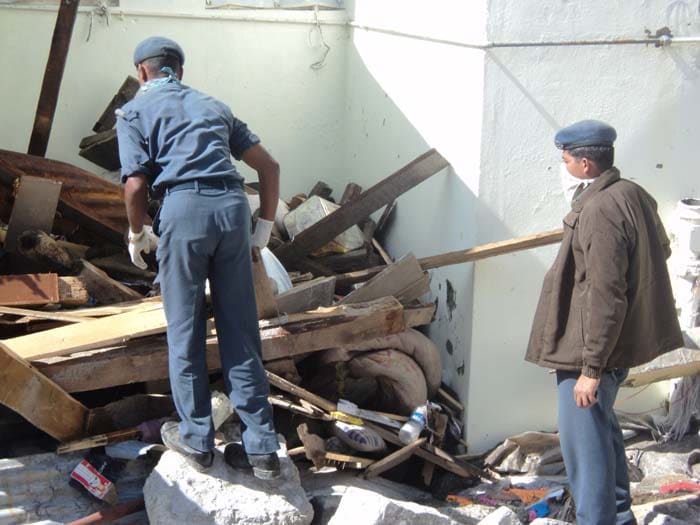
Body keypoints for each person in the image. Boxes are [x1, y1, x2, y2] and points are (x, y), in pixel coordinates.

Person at [117, 36, 282, 479]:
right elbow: (269, 167)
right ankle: (263, 450)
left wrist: (138, 232)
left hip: (184, 212)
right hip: (232, 209)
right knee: (240, 330)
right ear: (180, 71)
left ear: (142, 73)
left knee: (186, 331)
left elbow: (135, 186)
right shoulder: (215, 107)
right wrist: (263, 225)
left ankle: (196, 437)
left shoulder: (134, 111)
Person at [526, 120, 683, 524]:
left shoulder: (599, 211)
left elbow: (606, 293)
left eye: (564, 160)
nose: (562, 167)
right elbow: (657, 254)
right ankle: (619, 515)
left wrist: (590, 369)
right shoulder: (632, 193)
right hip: (613, 345)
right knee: (602, 430)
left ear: (583, 164)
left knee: (584, 448)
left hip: (590, 352)